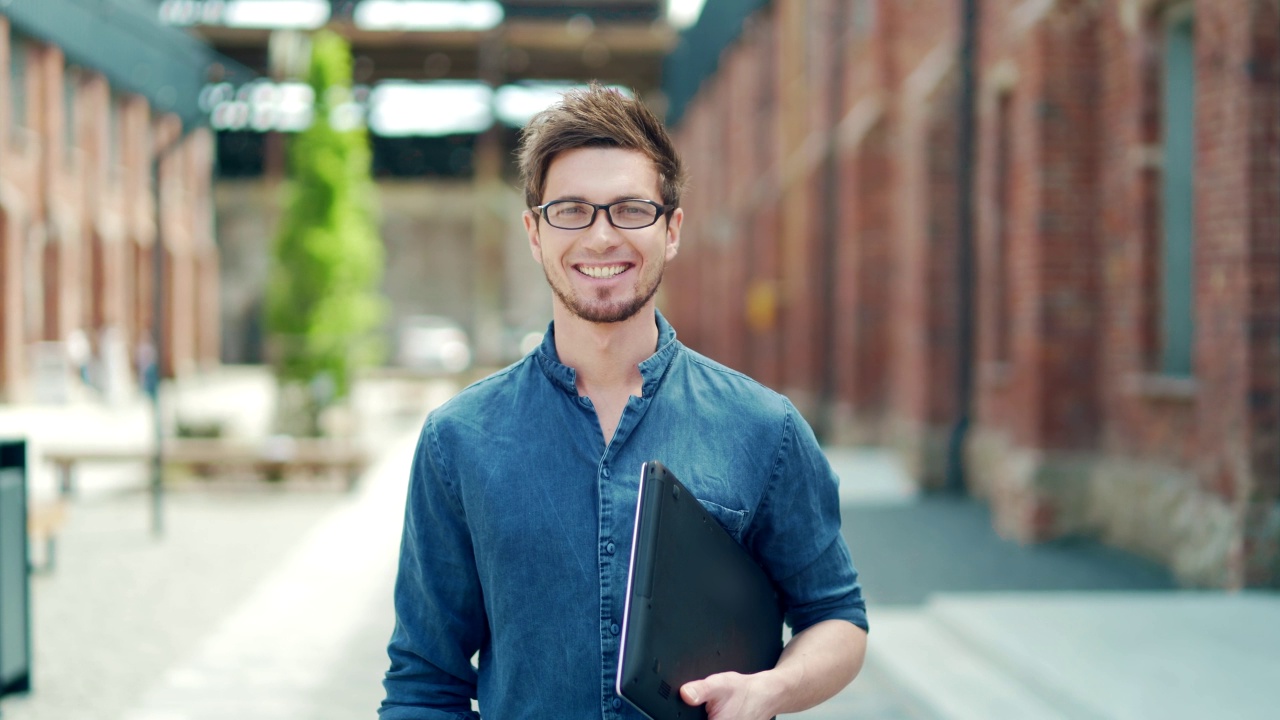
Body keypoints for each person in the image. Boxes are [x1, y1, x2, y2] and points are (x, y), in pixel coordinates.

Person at [380, 85, 868, 720]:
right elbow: (424, 678)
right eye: (572, 211)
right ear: (534, 232)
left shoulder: (762, 428)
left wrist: (768, 690)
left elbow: (837, 617)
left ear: (671, 231)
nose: (602, 237)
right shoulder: (459, 440)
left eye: (631, 210)